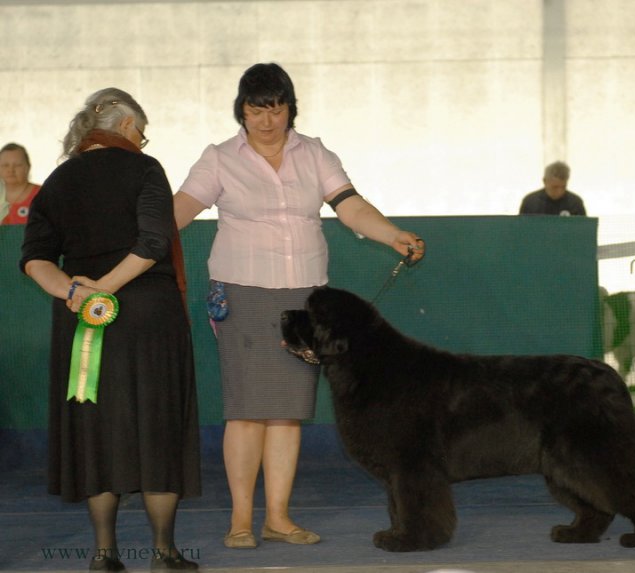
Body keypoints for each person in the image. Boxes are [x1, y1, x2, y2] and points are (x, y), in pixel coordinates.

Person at [173, 62, 425, 549]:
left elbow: (350, 205)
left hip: (303, 295)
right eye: (256, 110)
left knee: (288, 412)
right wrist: (136, 241)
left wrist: (393, 234)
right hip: (242, 291)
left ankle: (279, 518)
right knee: (246, 410)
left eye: (276, 108)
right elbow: (179, 209)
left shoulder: (316, 154)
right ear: (241, 112)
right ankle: (240, 520)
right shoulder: (219, 158)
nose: (267, 120)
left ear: (291, 109)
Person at [20, 88, 201, 571]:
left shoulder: (57, 180)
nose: (142, 142)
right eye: (142, 133)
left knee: (94, 432)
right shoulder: (145, 169)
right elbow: (153, 243)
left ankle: (104, 553)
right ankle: (164, 553)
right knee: (159, 427)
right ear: (125, 126)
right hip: (149, 318)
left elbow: (35, 258)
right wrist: (106, 288)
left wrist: (77, 293)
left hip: (82, 321)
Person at [519, 161, 586, 216]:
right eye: (555, 187)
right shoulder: (530, 203)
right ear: (545, 181)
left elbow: (583, 227)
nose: (559, 191)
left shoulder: (575, 203)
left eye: (563, 187)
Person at [0, 142, 41, 225]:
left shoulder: (42, 195)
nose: (11, 170)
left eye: (17, 165)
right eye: (5, 165)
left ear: (28, 167)